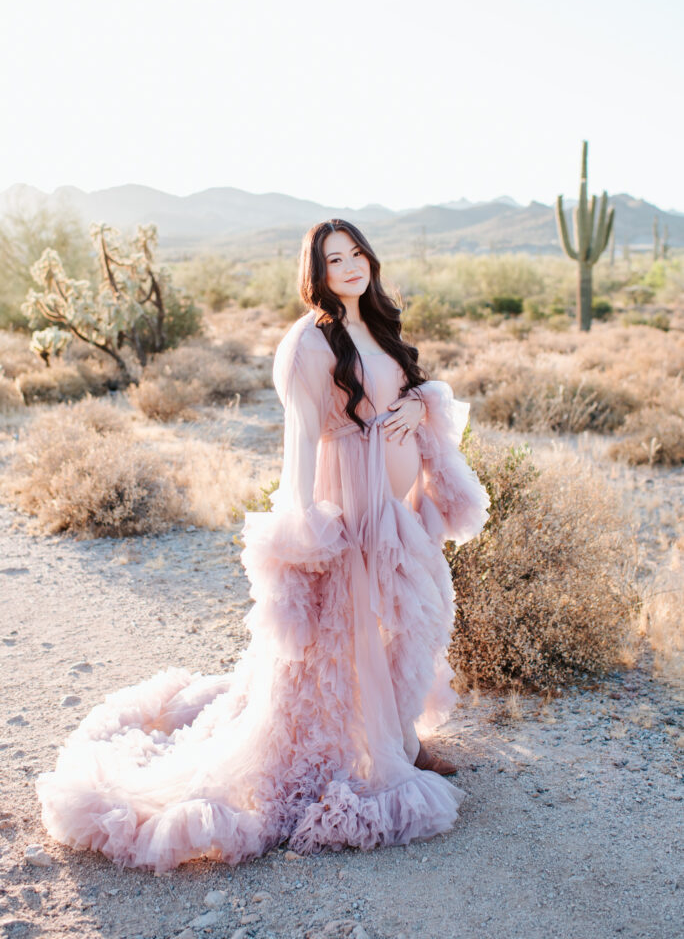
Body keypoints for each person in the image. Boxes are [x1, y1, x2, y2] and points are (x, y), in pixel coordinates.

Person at [35, 218, 490, 874]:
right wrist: (304, 521)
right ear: (318, 271)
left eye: (357, 252)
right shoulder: (307, 342)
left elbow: (401, 391)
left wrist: (420, 409)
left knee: (399, 625)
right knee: (345, 637)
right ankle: (368, 751)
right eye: (336, 259)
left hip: (394, 512)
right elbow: (302, 439)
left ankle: (399, 737)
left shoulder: (378, 325)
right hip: (351, 507)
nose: (351, 265)